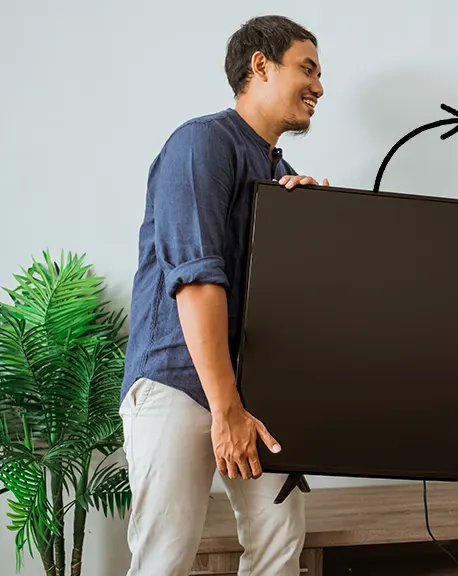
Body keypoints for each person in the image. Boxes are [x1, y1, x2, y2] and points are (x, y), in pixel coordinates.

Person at [119, 15, 329, 576]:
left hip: (253, 393)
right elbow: (196, 279)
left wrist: (311, 221)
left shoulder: (280, 172)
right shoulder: (201, 143)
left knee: (279, 542)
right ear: (261, 65)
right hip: (179, 383)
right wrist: (226, 408)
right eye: (307, 68)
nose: (320, 86)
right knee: (165, 559)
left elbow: (294, 303)